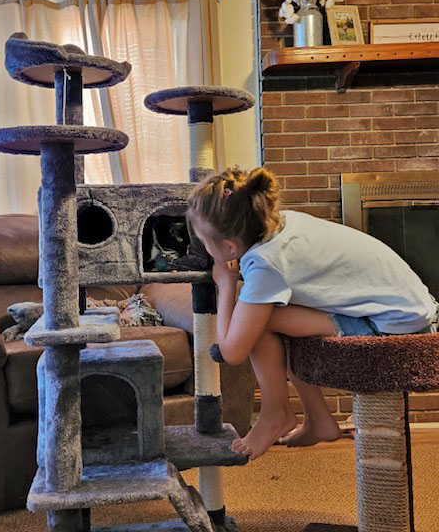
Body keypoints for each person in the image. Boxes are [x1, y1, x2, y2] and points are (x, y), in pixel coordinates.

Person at [186, 166, 438, 461]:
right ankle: (319, 420)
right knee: (264, 311)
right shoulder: (281, 225)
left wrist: (226, 285)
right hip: (411, 306)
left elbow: (232, 351)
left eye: (204, 242)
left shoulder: (266, 263)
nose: (203, 247)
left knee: (261, 321)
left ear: (230, 248)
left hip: (395, 324)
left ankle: (275, 413)